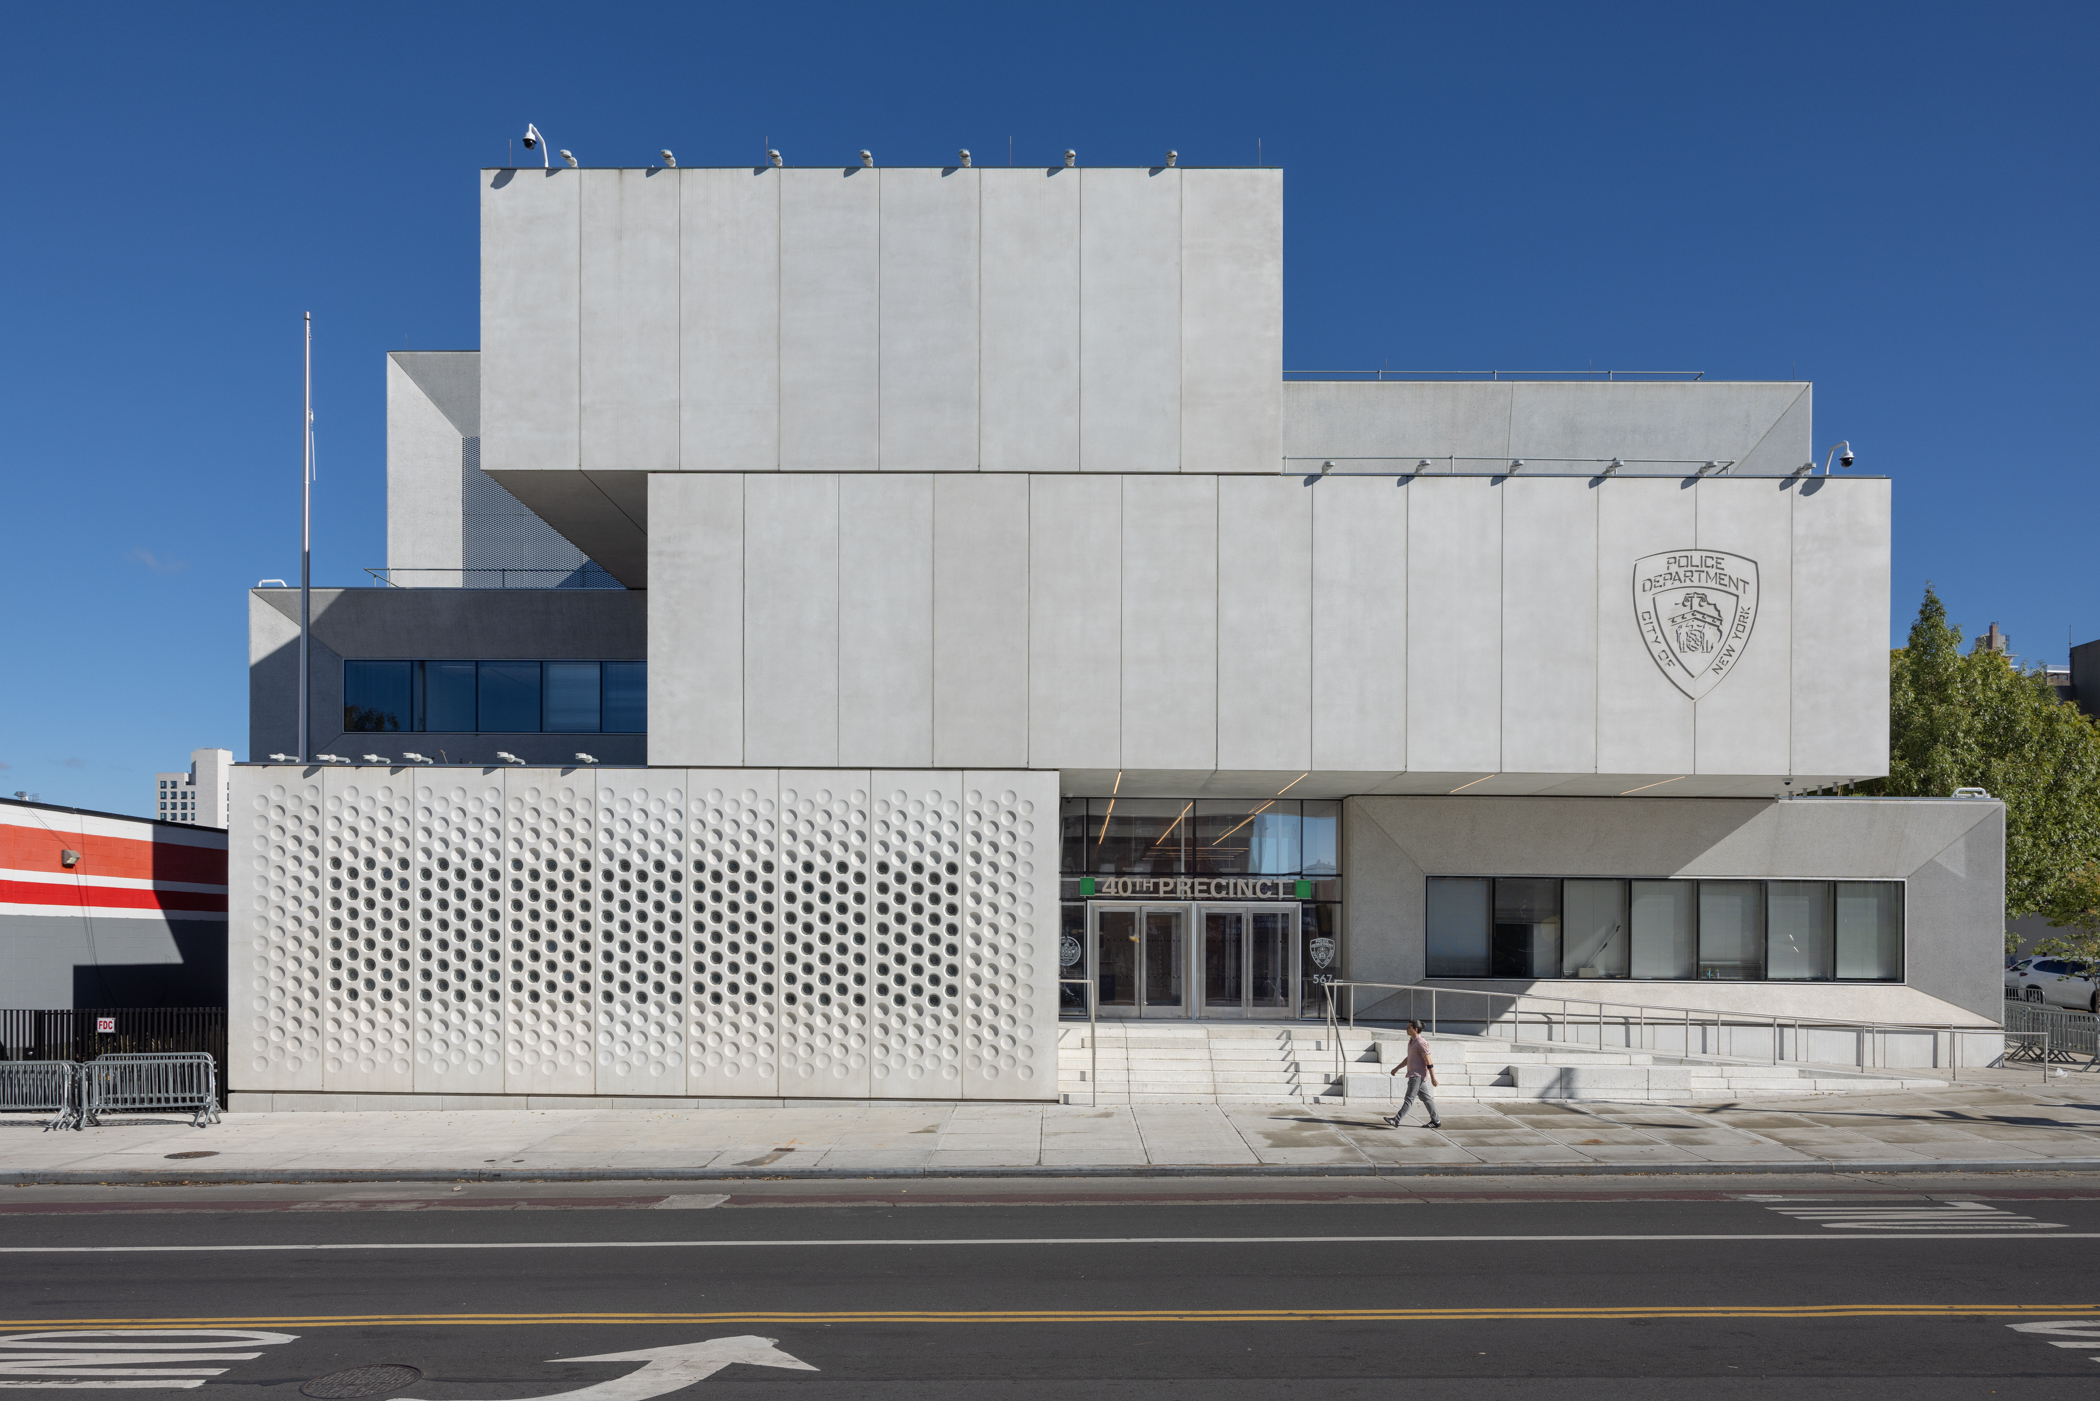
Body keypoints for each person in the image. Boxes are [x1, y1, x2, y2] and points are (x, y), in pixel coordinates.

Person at [1385, 1019, 1442, 1129]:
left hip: (1417, 1075)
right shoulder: (1412, 1042)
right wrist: (1396, 1068)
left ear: (1415, 1029)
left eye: (1408, 1027)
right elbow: (1409, 1058)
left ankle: (1396, 1120)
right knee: (1426, 1098)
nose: (1406, 1029)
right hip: (1413, 1073)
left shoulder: (1421, 1042)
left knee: (1409, 1098)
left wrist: (1433, 1078)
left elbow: (1429, 1062)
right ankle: (1436, 1121)